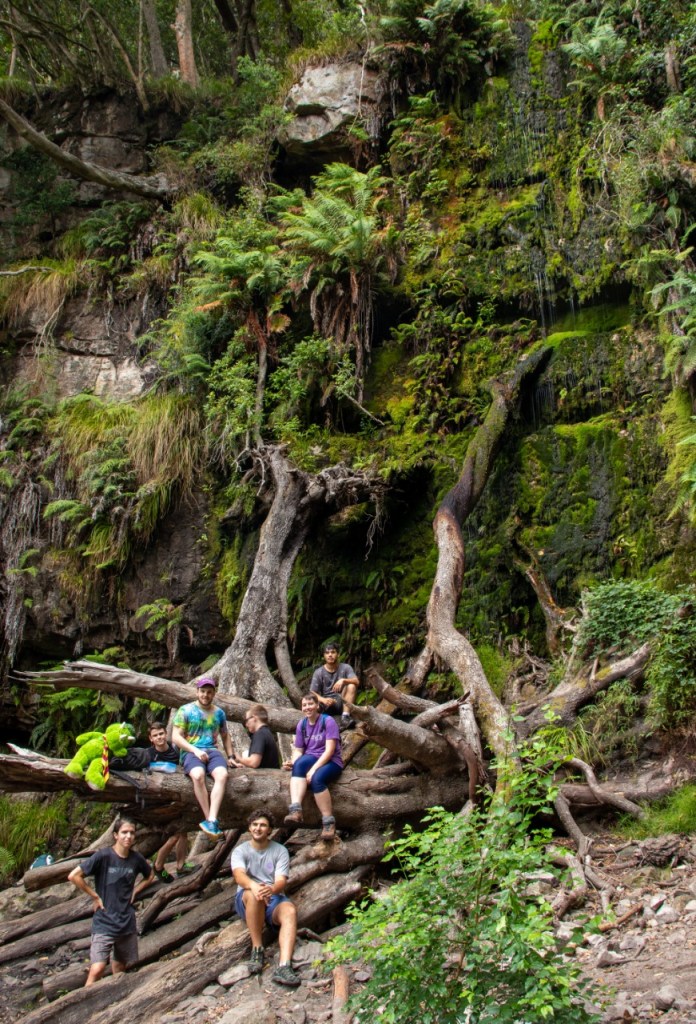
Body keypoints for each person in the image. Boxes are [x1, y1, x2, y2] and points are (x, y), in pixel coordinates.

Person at [68, 817, 155, 986]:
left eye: (132, 833)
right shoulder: (103, 856)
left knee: (120, 967)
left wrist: (136, 890)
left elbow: (150, 875)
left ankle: (116, 999)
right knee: (97, 968)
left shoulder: (136, 859)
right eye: (124, 832)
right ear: (115, 835)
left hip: (126, 920)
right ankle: (84, 998)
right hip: (104, 920)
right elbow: (74, 876)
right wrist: (94, 896)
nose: (128, 836)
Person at [231, 809, 300, 988]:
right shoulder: (240, 851)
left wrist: (270, 890)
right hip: (247, 896)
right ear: (249, 827)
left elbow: (281, 881)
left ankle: (284, 965)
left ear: (269, 830)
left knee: (290, 910)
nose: (258, 828)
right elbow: (239, 876)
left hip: (273, 896)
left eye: (263, 825)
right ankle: (257, 949)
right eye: (255, 824)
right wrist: (255, 887)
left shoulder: (280, 851)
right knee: (255, 896)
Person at [172, 677, 235, 841]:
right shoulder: (185, 710)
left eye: (209, 692)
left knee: (222, 775)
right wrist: (195, 750)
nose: (205, 695)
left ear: (213, 693)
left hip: (212, 750)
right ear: (197, 692)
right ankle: (209, 819)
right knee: (198, 775)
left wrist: (231, 756)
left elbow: (225, 735)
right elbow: (176, 737)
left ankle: (212, 820)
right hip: (191, 751)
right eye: (202, 691)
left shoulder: (219, 713)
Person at [282, 691, 343, 841]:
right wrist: (293, 762)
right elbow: (299, 750)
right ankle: (296, 809)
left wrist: (313, 770)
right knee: (299, 764)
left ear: (317, 706)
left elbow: (329, 751)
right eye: (304, 705)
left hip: (331, 761)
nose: (307, 707)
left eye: (310, 704)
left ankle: (328, 822)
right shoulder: (302, 724)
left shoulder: (328, 721)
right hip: (312, 757)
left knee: (317, 779)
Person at [146, 721, 193, 881]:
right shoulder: (148, 754)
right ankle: (158, 866)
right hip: (159, 801)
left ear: (166, 734)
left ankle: (181, 866)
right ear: (151, 738)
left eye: (161, 734)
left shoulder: (175, 750)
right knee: (174, 835)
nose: (159, 737)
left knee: (183, 831)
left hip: (177, 797)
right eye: (155, 735)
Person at [310, 642, 359, 730]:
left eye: (333, 652)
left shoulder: (346, 667)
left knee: (351, 685)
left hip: (342, 702)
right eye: (327, 653)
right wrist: (323, 700)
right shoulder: (319, 672)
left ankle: (345, 717)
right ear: (324, 656)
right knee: (313, 702)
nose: (330, 655)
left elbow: (356, 681)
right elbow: (312, 692)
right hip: (326, 704)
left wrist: (344, 680)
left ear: (338, 654)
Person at [231, 704, 280, 769]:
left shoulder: (260, 734)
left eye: (246, 720)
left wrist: (238, 758)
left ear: (254, 718)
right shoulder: (267, 733)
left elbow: (254, 762)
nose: (246, 725)